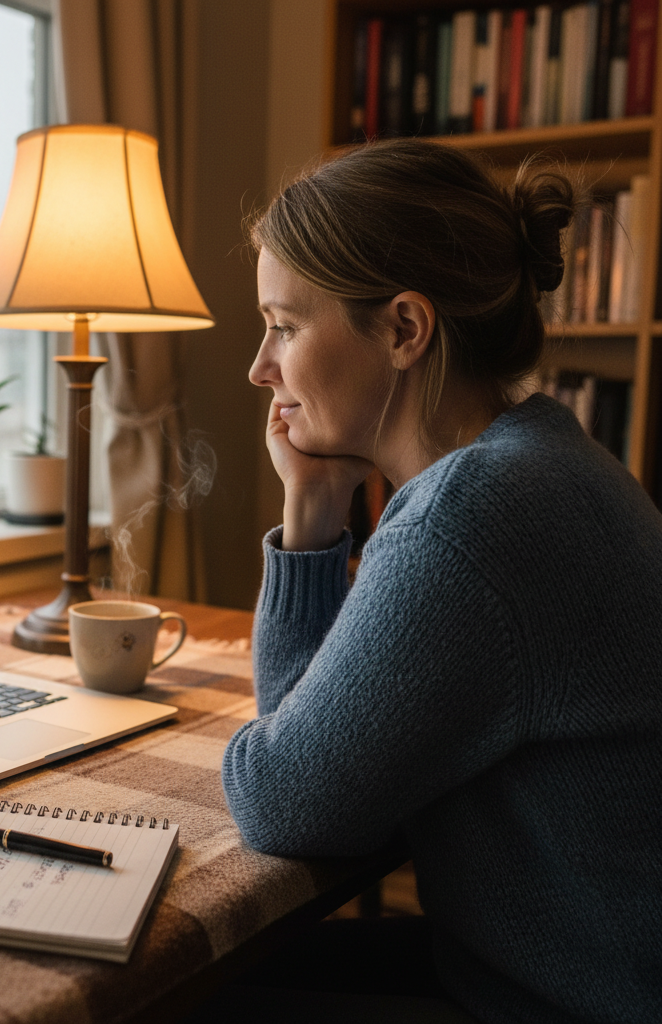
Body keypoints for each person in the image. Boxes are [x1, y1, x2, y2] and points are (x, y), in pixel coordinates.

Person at [220, 138, 662, 1023]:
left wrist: (309, 533)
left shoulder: (474, 517)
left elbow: (283, 803)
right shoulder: (538, 459)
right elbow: (332, 784)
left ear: (404, 329)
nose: (259, 367)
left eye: (286, 324)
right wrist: (313, 508)